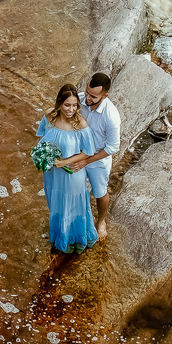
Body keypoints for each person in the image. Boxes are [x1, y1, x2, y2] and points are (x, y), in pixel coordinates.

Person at [36, 84, 99, 253]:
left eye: (74, 105)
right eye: (67, 105)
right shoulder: (49, 116)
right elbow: (42, 138)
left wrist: (64, 162)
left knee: (72, 206)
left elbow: (88, 152)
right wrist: (43, 155)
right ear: (59, 103)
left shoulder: (80, 124)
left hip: (72, 174)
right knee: (56, 204)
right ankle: (59, 236)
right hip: (52, 173)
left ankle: (75, 241)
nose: (71, 109)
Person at [68, 72, 121, 241]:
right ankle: (75, 219)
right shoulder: (80, 99)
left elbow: (113, 147)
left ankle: (101, 221)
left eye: (93, 96)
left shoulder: (111, 117)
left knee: (100, 192)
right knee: (73, 189)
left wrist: (87, 161)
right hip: (77, 153)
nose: (88, 98)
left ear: (105, 96)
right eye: (87, 92)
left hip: (99, 159)